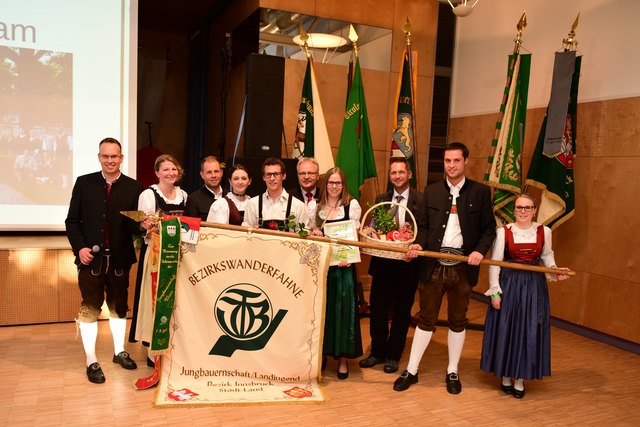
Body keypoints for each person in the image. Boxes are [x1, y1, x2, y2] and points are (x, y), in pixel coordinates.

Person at [393, 141, 496, 394]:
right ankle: (412, 370)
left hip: (463, 267)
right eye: (447, 161)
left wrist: (479, 251)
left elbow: (488, 229)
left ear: (465, 162)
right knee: (425, 318)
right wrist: (418, 244)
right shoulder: (432, 191)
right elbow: (425, 227)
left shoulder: (481, 192)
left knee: (457, 320)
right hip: (433, 265)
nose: (451, 166)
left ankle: (452, 371)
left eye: (456, 161)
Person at [65, 137, 142, 384]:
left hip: (120, 260)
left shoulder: (134, 188)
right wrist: (80, 249)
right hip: (91, 261)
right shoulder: (84, 183)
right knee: (90, 309)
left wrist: (145, 225)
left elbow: (134, 226)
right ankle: (91, 359)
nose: (110, 160)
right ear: (99, 157)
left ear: (121, 158)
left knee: (119, 308)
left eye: (115, 156)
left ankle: (119, 352)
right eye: (105, 156)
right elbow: (72, 222)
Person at [480, 193, 569, 399]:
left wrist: (554, 270)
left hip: (534, 287)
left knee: (529, 329)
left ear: (534, 210)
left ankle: (520, 378)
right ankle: (505, 376)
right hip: (509, 284)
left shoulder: (544, 231)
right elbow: (495, 262)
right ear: (514, 210)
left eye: (527, 208)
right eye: (519, 208)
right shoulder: (503, 232)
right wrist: (495, 291)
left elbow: (547, 255)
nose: (523, 212)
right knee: (508, 329)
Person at [359, 158, 422, 374]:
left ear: (409, 174)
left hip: (407, 267)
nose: (397, 176)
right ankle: (377, 352)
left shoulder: (419, 201)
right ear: (390, 175)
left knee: (402, 312)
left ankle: (393, 355)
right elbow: (375, 228)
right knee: (377, 309)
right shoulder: (381, 199)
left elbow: (423, 229)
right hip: (382, 264)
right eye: (393, 173)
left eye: (401, 172)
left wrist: (416, 243)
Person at [128, 154, 188, 364]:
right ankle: (153, 351)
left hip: (178, 256)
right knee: (155, 301)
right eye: (165, 170)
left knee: (176, 301)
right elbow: (143, 229)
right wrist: (149, 228)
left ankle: (173, 348)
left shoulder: (184, 195)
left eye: (173, 169)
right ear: (157, 173)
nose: (170, 173)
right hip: (155, 256)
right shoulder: (148, 195)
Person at [309, 167, 363, 379]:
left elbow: (355, 238)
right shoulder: (316, 206)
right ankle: (322, 353)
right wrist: (314, 233)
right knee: (323, 312)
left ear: (343, 185)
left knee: (343, 313)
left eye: (338, 183)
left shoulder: (351, 206)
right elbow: (311, 237)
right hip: (324, 268)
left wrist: (347, 256)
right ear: (325, 185)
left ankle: (342, 359)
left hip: (345, 268)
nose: (334, 187)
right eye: (331, 183)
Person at [242, 157, 309, 230]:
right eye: (268, 174)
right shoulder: (252, 204)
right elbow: (246, 233)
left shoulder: (299, 206)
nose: (272, 178)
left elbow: (304, 234)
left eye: (276, 174)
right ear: (263, 177)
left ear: (283, 176)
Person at [184, 155, 224, 220]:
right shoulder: (193, 199)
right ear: (202, 175)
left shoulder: (230, 196)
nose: (213, 175)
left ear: (221, 173)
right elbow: (192, 229)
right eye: (209, 172)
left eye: (216, 171)